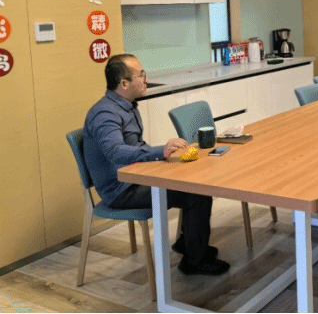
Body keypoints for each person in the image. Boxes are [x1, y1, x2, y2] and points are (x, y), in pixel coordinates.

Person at [83, 54, 230, 276]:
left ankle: (189, 244)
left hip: (137, 175)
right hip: (122, 189)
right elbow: (115, 152)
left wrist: (160, 157)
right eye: (141, 75)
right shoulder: (105, 114)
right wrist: (159, 151)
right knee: (197, 194)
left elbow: (134, 148)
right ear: (124, 84)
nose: (146, 79)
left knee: (192, 178)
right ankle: (194, 262)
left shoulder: (126, 105)